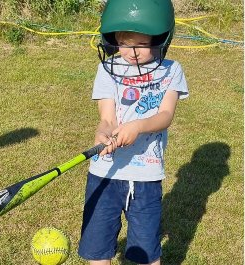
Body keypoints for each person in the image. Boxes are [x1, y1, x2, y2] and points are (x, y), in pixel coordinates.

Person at [77, 0, 189, 265]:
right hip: (104, 173)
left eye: (142, 43)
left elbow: (165, 116)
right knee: (97, 248)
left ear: (159, 37)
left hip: (145, 174)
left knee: (146, 251)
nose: (133, 52)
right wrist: (102, 134)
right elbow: (106, 119)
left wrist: (137, 126)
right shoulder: (107, 69)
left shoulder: (171, 70)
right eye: (126, 43)